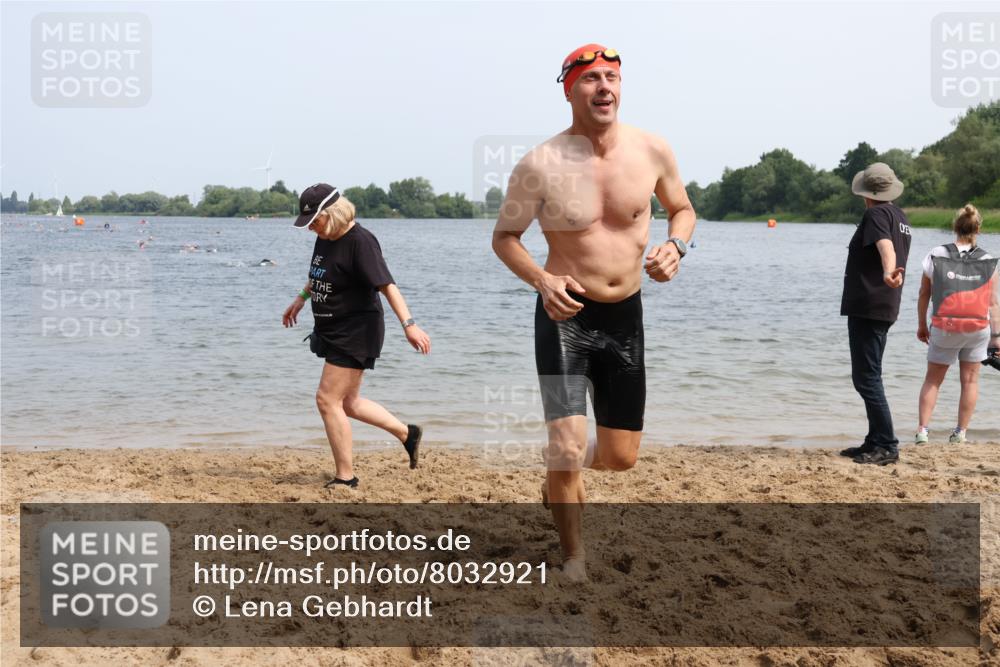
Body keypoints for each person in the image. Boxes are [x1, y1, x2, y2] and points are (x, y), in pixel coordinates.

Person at [491, 44, 696, 581]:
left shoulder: (652, 150)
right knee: (564, 443)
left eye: (612, 77)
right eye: (590, 79)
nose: (604, 86)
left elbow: (682, 209)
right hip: (565, 317)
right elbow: (505, 237)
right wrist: (541, 278)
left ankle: (559, 472)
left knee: (621, 457)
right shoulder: (539, 163)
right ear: (569, 89)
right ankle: (573, 558)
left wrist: (677, 246)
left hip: (625, 316)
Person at [282, 183, 431, 488]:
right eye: (308, 224)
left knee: (326, 400)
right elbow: (319, 273)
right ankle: (408, 434)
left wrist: (409, 325)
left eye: (315, 222)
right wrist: (300, 298)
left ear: (333, 213)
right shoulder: (326, 236)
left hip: (357, 331)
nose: (312, 229)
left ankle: (346, 477)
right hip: (333, 329)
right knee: (348, 402)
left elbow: (387, 286)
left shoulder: (360, 242)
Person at [839, 163, 912, 465]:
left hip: (870, 305)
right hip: (883, 305)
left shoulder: (875, 214)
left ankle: (887, 444)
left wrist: (886, 271)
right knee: (870, 376)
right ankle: (874, 439)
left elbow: (885, 247)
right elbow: (889, 244)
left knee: (867, 378)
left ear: (867, 194)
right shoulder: (899, 216)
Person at [914, 204, 1000, 444]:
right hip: (978, 327)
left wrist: (922, 324)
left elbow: (924, 293)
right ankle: (960, 433)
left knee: (933, 380)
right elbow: (993, 303)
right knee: (970, 380)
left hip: (945, 325)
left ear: (955, 227)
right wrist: (996, 337)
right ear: (978, 229)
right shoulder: (988, 259)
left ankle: (923, 430)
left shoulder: (937, 253)